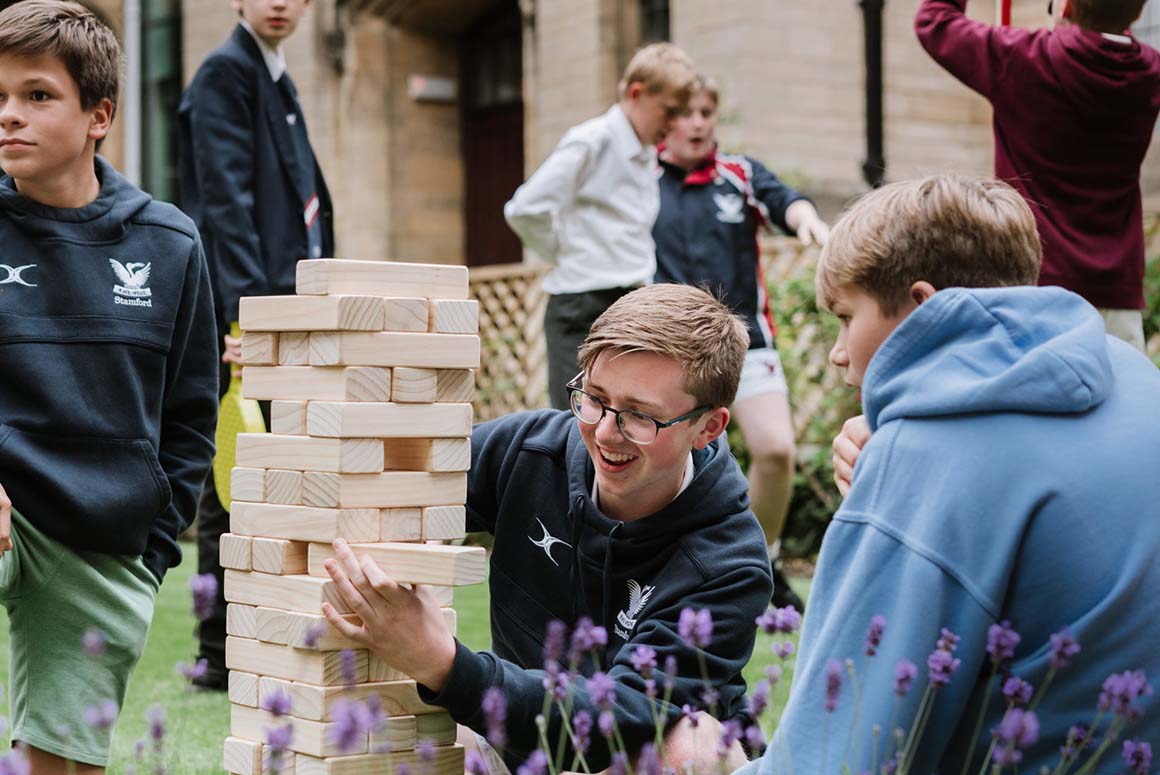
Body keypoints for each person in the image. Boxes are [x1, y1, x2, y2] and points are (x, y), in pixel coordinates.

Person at [736, 174, 1160, 775]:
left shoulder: (928, 458)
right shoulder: (1130, 373)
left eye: (845, 317)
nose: (837, 351)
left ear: (922, 306)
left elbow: (840, 752)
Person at [321, 284, 772, 772]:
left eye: (640, 416)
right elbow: (395, 489)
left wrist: (443, 662)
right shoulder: (530, 450)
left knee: (694, 749)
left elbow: (623, 718)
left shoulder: (730, 564)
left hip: (624, 760)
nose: (603, 432)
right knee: (378, 728)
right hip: (511, 746)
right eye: (595, 398)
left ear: (707, 427)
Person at [0, 1, 219, 770]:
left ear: (100, 114)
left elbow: (191, 416)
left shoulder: (168, 242)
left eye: (35, 95)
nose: (7, 117)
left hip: (100, 536)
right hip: (3, 505)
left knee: (60, 760)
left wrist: (153, 550)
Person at [177, 0, 335, 690]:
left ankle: (270, 630)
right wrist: (247, 320)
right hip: (250, 316)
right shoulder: (223, 75)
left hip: (291, 308)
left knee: (275, 469)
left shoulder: (277, 78)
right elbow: (224, 206)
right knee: (238, 471)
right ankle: (219, 649)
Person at [654, 73, 829, 613]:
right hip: (670, 350)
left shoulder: (739, 174)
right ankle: (677, 569)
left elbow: (787, 202)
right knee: (676, 462)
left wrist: (810, 223)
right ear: (665, 121)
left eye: (708, 112)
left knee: (776, 450)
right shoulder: (637, 179)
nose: (700, 123)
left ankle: (762, 559)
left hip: (746, 342)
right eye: (687, 112)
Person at [916, 0, 1160, 352]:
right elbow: (1109, 40)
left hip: (1033, 288)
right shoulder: (1148, 74)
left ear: (1065, 7)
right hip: (1114, 294)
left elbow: (935, 20)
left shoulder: (1022, 59)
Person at [504, 43, 697, 410]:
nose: (674, 124)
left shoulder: (643, 155)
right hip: (582, 304)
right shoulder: (592, 141)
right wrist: (561, 252)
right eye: (669, 111)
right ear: (636, 93)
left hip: (629, 302)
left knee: (627, 417)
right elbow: (526, 208)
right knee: (574, 423)